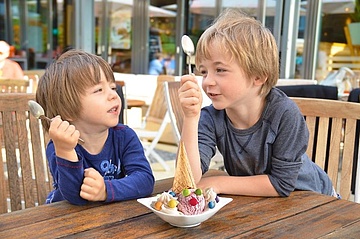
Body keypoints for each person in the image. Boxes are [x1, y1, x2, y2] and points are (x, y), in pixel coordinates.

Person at [179, 9, 336, 198]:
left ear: (258, 76)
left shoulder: (284, 113)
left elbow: (282, 184)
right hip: (262, 205)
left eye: (220, 70)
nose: (207, 81)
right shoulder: (211, 118)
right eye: (203, 72)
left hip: (314, 199)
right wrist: (190, 118)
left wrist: (218, 182)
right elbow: (188, 179)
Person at [36, 49, 154, 205]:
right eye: (99, 90)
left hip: (109, 220)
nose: (113, 95)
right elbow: (74, 197)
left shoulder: (124, 136)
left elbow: (145, 180)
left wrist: (106, 190)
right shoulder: (60, 146)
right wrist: (66, 151)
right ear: (68, 110)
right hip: (67, 223)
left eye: (112, 87)